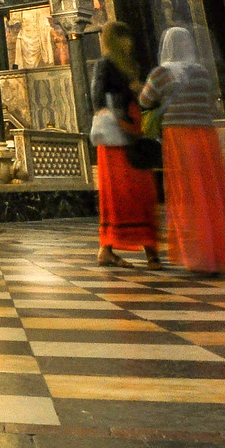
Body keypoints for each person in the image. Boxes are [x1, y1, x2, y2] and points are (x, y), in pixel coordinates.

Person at [140, 26, 225, 275]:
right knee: (217, 194)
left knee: (188, 195)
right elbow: (210, 101)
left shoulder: (162, 73)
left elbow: (144, 100)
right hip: (206, 136)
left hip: (179, 137)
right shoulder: (202, 72)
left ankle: (202, 257)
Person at [90, 22, 159, 268]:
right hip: (115, 133)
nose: (129, 42)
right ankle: (108, 248)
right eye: (123, 37)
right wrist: (127, 93)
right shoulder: (105, 63)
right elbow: (97, 96)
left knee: (142, 189)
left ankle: (150, 248)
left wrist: (138, 92)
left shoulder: (132, 65)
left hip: (133, 128)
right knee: (119, 192)